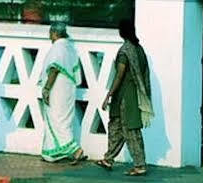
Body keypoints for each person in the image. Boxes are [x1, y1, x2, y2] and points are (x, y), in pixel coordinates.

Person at [95, 19, 153, 177]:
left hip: (126, 98)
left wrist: (108, 95)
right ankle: (108, 159)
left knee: (131, 130)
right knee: (117, 128)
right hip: (132, 95)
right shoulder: (139, 49)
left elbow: (119, 76)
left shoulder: (125, 51)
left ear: (122, 32)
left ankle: (140, 165)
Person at [39, 22, 86, 164]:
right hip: (68, 89)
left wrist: (47, 88)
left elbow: (54, 69)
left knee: (57, 120)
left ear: (54, 33)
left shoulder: (58, 48)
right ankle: (53, 153)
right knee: (63, 119)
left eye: (50, 33)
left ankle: (75, 150)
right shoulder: (70, 48)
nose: (49, 36)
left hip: (57, 89)